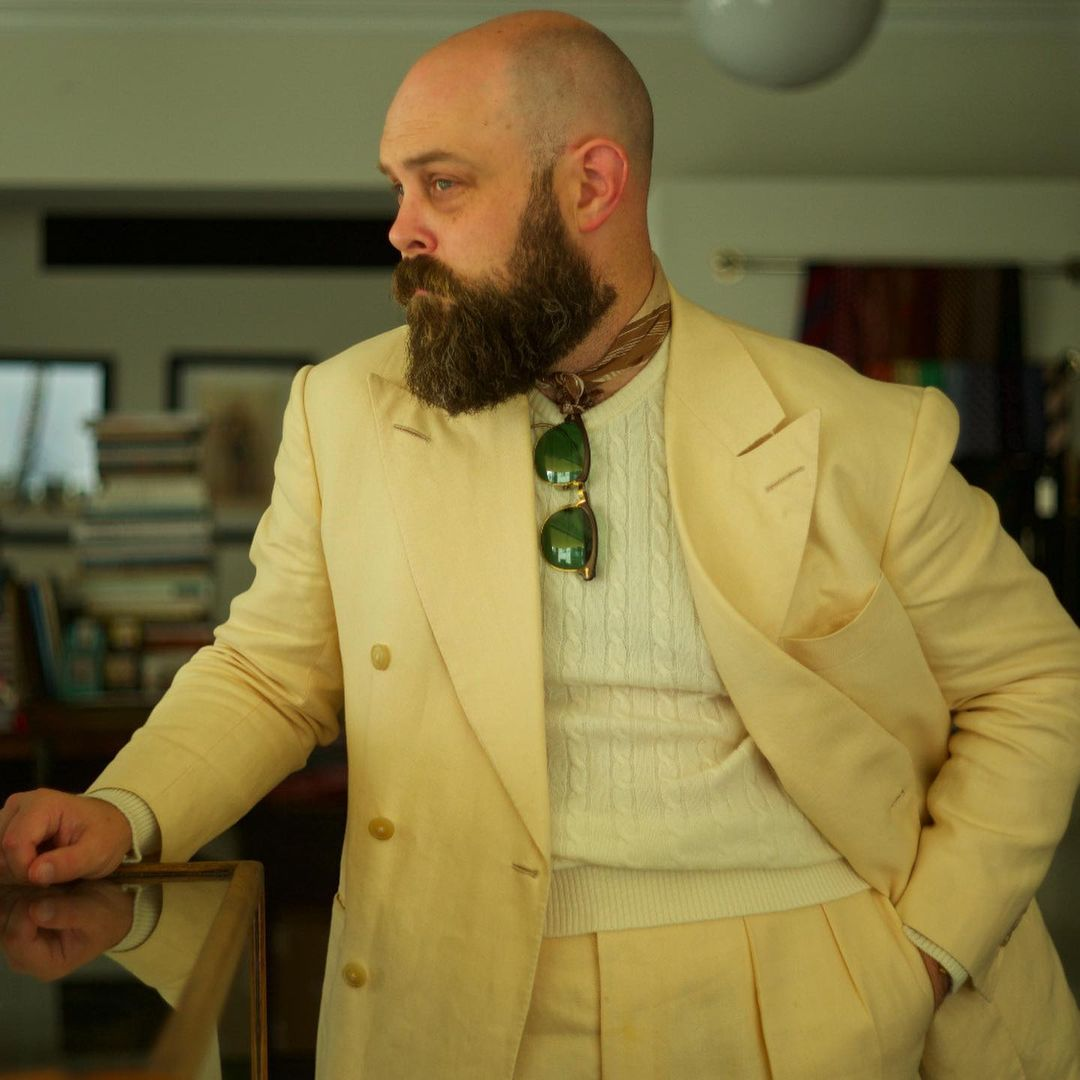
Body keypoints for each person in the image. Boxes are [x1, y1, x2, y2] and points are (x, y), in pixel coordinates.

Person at [2, 11, 1079, 1078]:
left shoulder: (856, 430)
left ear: (591, 185)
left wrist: (926, 952)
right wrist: (123, 809)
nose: (402, 230)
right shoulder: (343, 410)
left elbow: (1035, 679)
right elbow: (271, 671)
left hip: (807, 1004)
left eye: (443, 184)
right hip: (448, 996)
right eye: (397, 188)